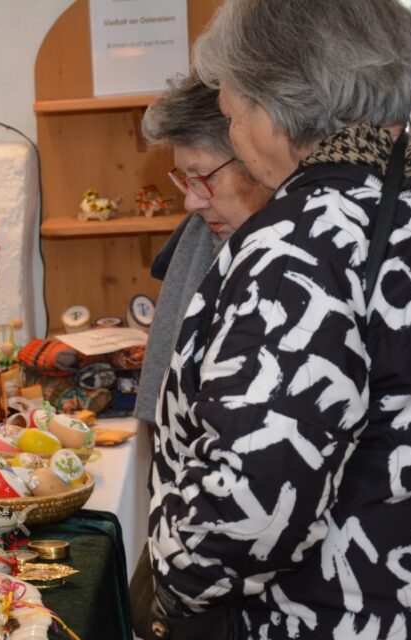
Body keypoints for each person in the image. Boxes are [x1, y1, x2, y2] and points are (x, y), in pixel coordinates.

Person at [146, 0, 411, 640]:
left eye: (231, 113)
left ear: (276, 105)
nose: (234, 130)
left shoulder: (306, 241)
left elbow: (254, 503)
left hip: (340, 639)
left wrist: (172, 567)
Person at [132, 74, 271, 427]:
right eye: (185, 179)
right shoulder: (201, 240)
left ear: (259, 160)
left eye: (204, 177)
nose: (191, 202)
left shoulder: (298, 260)